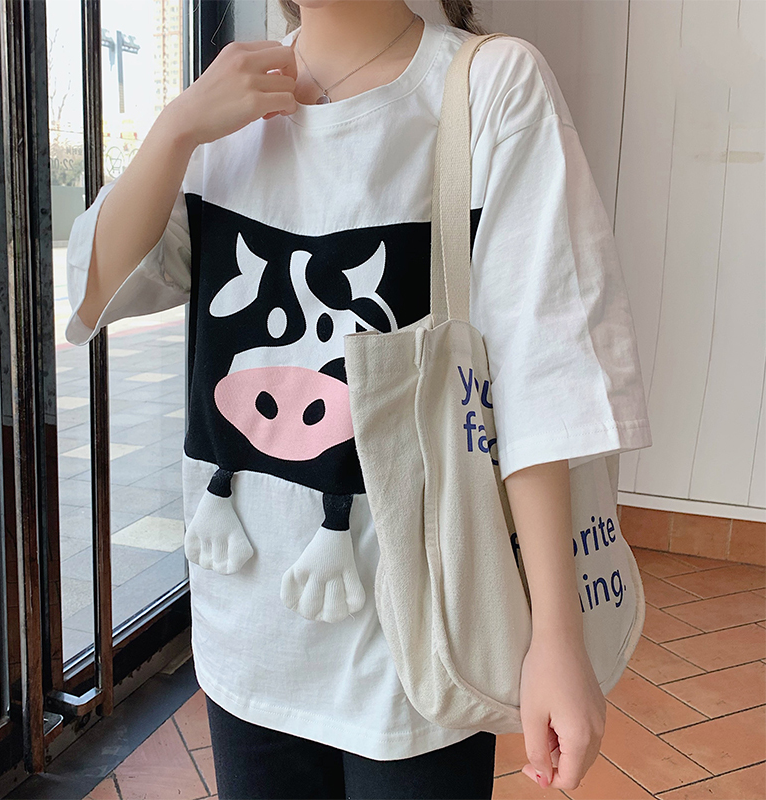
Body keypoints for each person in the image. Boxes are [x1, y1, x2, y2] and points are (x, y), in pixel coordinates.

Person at [64, 1, 653, 798]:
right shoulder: (227, 104)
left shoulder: (490, 84)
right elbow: (95, 292)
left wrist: (556, 634)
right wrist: (177, 129)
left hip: (423, 640)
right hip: (248, 637)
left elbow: (541, 372)